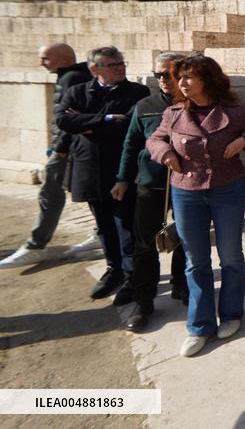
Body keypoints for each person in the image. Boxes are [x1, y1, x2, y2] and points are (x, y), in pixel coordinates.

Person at [146, 55, 245, 357]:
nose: (182, 83)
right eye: (179, 77)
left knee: (231, 256)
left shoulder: (236, 110)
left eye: (189, 76)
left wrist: (244, 140)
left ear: (209, 79)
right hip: (186, 192)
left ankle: (231, 314)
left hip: (228, 190)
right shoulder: (174, 113)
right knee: (196, 261)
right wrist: (165, 152)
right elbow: (154, 139)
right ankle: (199, 325)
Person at [55, 47, 150, 301]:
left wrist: (86, 123)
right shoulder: (78, 91)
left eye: (122, 63)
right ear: (94, 69)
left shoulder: (138, 92)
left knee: (126, 225)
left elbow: (129, 126)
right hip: (89, 170)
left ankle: (132, 277)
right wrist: (106, 118)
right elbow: (63, 121)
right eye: (113, 65)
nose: (120, 67)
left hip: (121, 170)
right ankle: (114, 270)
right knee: (104, 226)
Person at [110, 53, 189, 332]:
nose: (164, 80)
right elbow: (131, 145)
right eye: (158, 75)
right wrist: (122, 179)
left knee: (185, 238)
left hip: (186, 184)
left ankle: (182, 284)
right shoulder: (144, 106)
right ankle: (144, 301)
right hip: (150, 185)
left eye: (169, 74)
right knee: (144, 244)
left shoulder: (196, 103)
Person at [0, 44, 93, 269]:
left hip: (67, 148)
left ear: (62, 58)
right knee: (86, 190)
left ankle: (36, 246)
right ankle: (100, 232)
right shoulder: (72, 76)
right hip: (69, 147)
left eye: (45, 59)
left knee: (50, 193)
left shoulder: (72, 78)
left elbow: (70, 116)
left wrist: (59, 147)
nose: (41, 63)